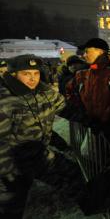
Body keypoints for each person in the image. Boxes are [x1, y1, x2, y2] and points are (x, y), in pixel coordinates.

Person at [0, 54, 83, 218]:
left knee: (73, 173)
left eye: (36, 73)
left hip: (36, 156)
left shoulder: (44, 92)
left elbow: (68, 110)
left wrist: (103, 126)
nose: (32, 78)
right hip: (9, 167)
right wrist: (7, 173)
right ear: (14, 75)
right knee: (11, 208)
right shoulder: (4, 99)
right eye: (26, 73)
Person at [65, 38, 110, 131]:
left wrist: (106, 117)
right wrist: (82, 113)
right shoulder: (82, 72)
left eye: (87, 51)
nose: (84, 55)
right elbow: (69, 90)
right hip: (89, 126)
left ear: (100, 51)